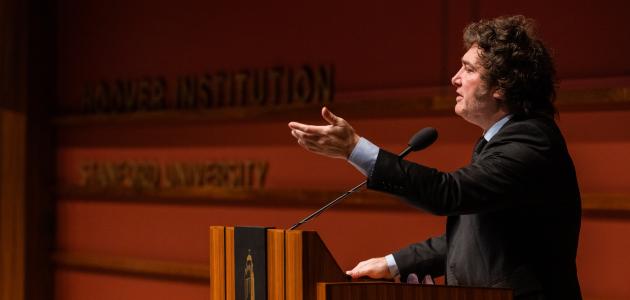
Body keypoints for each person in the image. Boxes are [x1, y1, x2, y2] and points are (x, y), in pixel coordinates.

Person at [288, 15, 581, 299]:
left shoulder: (532, 141)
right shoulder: (496, 141)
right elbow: (473, 238)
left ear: (501, 86)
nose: (455, 78)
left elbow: (448, 193)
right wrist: (393, 263)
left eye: (468, 69)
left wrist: (354, 149)